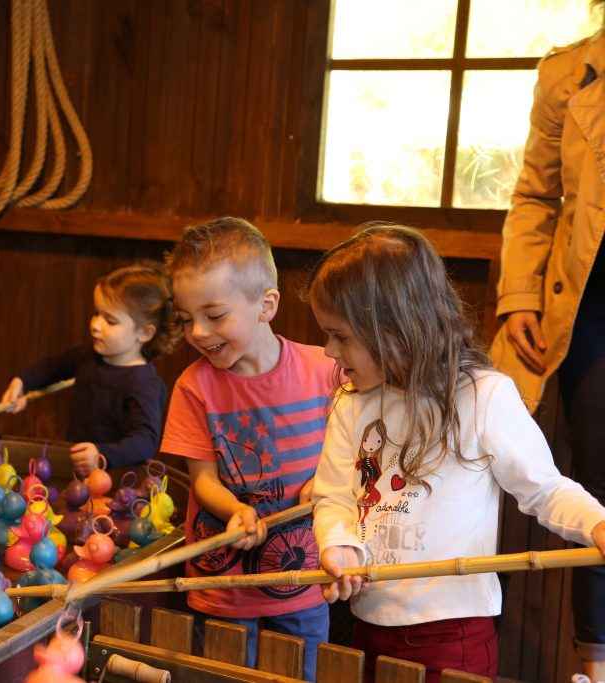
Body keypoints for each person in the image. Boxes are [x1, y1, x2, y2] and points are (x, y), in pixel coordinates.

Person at [307, 224, 605, 682]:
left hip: (454, 630)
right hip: (368, 621)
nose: (328, 350)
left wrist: (597, 524)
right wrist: (339, 544)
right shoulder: (351, 402)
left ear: (397, 328)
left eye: (341, 336)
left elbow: (545, 490)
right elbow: (333, 499)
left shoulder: (483, 395)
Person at [160, 217, 335, 680]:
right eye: (186, 318)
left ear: (266, 304)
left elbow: (352, 452)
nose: (198, 332)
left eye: (214, 315)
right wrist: (235, 510)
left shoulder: (325, 370)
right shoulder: (193, 387)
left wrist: (327, 482)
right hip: (226, 582)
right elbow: (203, 480)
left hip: (302, 578)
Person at [489, 5, 605, 679]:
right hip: (589, 316)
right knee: (597, 494)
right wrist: (520, 295)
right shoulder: (570, 73)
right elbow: (534, 196)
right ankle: (594, 663)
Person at [0, 261, 179, 475]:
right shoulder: (87, 355)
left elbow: (145, 441)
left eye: (110, 321)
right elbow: (52, 368)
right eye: (97, 313)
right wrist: (21, 382)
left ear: (144, 333)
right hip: (74, 468)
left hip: (114, 478)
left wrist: (102, 454)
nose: (95, 325)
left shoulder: (144, 383)